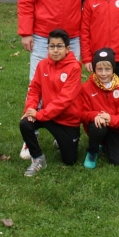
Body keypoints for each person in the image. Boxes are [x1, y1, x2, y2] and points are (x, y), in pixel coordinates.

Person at [19, 29, 82, 177]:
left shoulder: (74, 67)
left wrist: (40, 114)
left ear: (67, 49)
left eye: (59, 46)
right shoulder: (42, 65)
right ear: (47, 48)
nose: (55, 50)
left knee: (70, 161)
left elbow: (65, 100)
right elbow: (34, 89)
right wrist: (30, 109)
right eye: (52, 46)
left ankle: (64, 140)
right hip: (48, 116)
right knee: (25, 123)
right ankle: (38, 159)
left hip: (67, 121)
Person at [79, 48, 119, 169]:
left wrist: (110, 119)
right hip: (96, 125)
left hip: (113, 127)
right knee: (99, 126)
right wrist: (95, 116)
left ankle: (104, 144)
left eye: (107, 69)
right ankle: (92, 151)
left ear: (113, 69)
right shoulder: (86, 88)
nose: (103, 73)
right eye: (99, 69)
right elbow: (81, 113)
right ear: (94, 69)